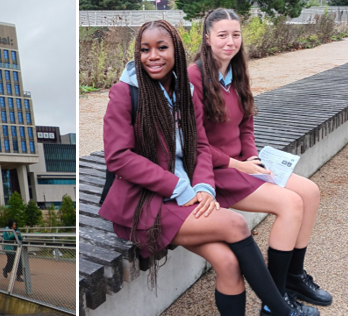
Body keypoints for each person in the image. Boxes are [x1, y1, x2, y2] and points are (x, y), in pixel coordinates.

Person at [99, 20, 312, 315]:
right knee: (235, 223)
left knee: (228, 263)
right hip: (143, 201)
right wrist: (178, 187)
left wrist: (203, 187)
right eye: (145, 50)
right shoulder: (125, 93)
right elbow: (119, 158)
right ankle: (279, 309)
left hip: (186, 192)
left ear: (176, 50)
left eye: (162, 47)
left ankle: (277, 303)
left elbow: (198, 147)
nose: (153, 56)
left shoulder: (183, 92)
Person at [188, 8, 331, 315]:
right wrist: (239, 165)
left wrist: (252, 157)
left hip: (244, 164)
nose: (230, 42)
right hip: (217, 171)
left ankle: (293, 278)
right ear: (207, 37)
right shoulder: (194, 77)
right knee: (290, 204)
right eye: (222, 35)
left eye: (235, 35)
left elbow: (246, 125)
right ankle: (274, 299)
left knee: (309, 192)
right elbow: (193, 143)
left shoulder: (237, 72)